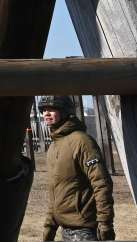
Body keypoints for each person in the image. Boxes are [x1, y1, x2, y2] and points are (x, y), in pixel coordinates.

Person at [39, 95, 115, 241]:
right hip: (65, 229)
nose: (46, 113)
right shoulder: (53, 147)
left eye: (52, 109)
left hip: (85, 229)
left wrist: (105, 222)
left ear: (65, 111)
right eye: (43, 110)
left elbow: (101, 183)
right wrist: (49, 226)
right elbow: (56, 192)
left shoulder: (82, 141)